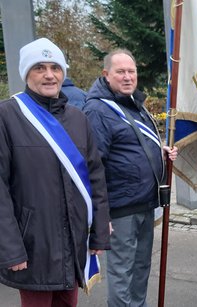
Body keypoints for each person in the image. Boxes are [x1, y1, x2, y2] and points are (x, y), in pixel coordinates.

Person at [0, 38, 110, 307]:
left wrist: (98, 233)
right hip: (33, 245)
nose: (49, 75)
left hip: (73, 243)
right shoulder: (7, 115)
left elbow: (95, 178)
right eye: (39, 68)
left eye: (55, 67)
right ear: (27, 73)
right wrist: (11, 248)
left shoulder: (77, 118)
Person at [83, 49, 177, 307]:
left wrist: (160, 151)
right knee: (123, 272)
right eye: (120, 72)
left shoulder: (134, 104)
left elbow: (130, 145)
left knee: (141, 267)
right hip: (120, 208)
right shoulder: (98, 110)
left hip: (144, 203)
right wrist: (101, 216)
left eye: (131, 71)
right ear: (106, 75)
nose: (127, 77)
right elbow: (94, 165)